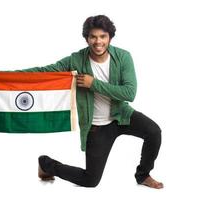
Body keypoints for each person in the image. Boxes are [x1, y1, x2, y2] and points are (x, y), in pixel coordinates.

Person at [19, 15, 163, 189]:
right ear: (87, 38)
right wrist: (7, 77)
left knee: (154, 132)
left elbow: (129, 93)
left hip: (121, 116)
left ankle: (143, 175)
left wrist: (93, 84)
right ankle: (46, 164)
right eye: (93, 36)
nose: (98, 41)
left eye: (103, 36)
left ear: (109, 37)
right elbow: (45, 71)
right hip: (97, 126)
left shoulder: (123, 57)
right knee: (90, 180)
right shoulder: (77, 60)